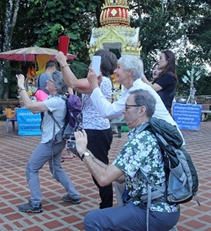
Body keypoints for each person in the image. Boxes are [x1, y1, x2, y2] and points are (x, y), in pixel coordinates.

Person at [74, 89, 180, 231]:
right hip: (164, 207)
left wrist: (83, 153)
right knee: (121, 187)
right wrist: (88, 153)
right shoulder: (149, 133)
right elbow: (121, 177)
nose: (123, 111)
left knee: (92, 220)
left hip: (154, 212)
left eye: (127, 107)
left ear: (141, 110)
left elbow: (104, 179)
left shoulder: (140, 141)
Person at [87, 54, 183, 208]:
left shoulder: (138, 91)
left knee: (125, 179)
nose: (115, 71)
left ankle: (141, 214)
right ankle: (128, 213)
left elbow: (107, 111)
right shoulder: (134, 89)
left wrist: (94, 87)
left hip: (165, 148)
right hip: (160, 144)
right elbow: (109, 110)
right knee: (122, 181)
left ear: (130, 72)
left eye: (119, 67)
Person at [55, 49, 117, 209]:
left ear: (99, 64)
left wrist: (63, 62)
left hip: (97, 132)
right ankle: (106, 206)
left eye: (93, 61)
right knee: (98, 169)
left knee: (100, 172)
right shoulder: (98, 79)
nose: (90, 64)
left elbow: (74, 83)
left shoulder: (101, 80)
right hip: (97, 130)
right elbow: (72, 82)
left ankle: (107, 208)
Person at [16, 71, 81, 214]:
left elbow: (31, 108)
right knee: (56, 168)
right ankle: (74, 195)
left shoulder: (56, 101)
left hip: (50, 142)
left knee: (31, 169)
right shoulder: (59, 98)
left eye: (50, 81)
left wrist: (21, 87)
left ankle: (35, 203)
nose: (47, 82)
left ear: (56, 86)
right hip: (58, 140)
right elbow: (35, 104)